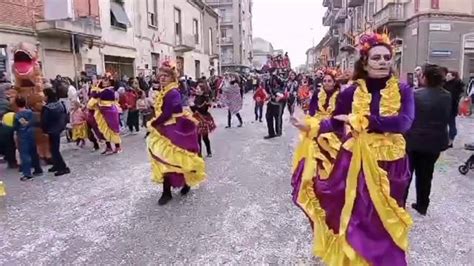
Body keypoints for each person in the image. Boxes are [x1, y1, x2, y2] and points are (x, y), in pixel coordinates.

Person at [290, 33, 414, 265]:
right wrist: (310, 126)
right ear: (365, 61)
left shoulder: (403, 90)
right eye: (376, 57)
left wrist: (365, 121)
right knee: (357, 213)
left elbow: (404, 122)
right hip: (356, 159)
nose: (383, 61)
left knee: (386, 217)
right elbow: (336, 123)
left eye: (387, 57)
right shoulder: (351, 92)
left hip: (392, 163)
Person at [146, 61, 206, 205]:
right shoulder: (165, 91)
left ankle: (182, 185)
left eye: (166, 75)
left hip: (174, 129)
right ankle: (167, 191)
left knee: (174, 158)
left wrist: (154, 123)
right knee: (164, 159)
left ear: (173, 77)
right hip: (165, 128)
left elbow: (168, 113)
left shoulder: (172, 92)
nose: (162, 78)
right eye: (161, 75)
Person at [405, 64, 451, 215]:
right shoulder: (447, 95)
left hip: (413, 141)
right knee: (426, 175)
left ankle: (400, 202)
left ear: (425, 77)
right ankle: (422, 205)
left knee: (407, 174)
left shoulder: (414, 94)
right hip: (435, 142)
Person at [41, 88, 70, 176]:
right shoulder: (60, 104)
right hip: (59, 128)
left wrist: (44, 129)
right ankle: (56, 165)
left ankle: (63, 167)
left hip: (51, 130)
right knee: (53, 148)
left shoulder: (47, 108)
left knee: (54, 150)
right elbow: (65, 115)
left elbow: (44, 121)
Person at [14, 97, 43, 180]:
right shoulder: (31, 112)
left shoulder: (17, 115)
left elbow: (15, 126)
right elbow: (34, 122)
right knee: (34, 152)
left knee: (24, 154)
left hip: (23, 135)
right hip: (31, 133)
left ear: (16, 104)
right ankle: (38, 169)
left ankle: (27, 173)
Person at [95, 74, 122, 154]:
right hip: (102, 112)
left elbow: (97, 95)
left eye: (106, 80)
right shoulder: (101, 90)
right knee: (104, 129)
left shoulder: (109, 91)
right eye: (103, 79)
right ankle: (109, 147)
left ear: (110, 82)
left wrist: (96, 89)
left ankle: (118, 147)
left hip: (110, 111)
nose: (103, 81)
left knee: (113, 129)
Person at [192, 81, 216, 157]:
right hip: (196, 119)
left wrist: (194, 106)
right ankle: (199, 154)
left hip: (203, 119)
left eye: (199, 89)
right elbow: (194, 110)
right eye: (196, 88)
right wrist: (191, 106)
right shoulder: (195, 97)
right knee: (197, 137)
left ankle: (209, 151)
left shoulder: (205, 99)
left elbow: (202, 110)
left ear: (203, 90)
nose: (197, 90)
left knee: (205, 137)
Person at [444, 71, 465, 147]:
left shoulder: (456, 85)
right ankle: (447, 140)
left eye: (448, 75)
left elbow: (454, 96)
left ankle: (450, 140)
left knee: (451, 123)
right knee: (444, 124)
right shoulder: (445, 84)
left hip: (452, 107)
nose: (446, 77)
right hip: (445, 107)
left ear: (453, 76)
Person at [264, 74, 284, 139]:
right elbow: (267, 90)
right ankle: (271, 133)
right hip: (271, 102)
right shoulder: (268, 80)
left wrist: (277, 95)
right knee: (268, 117)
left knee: (277, 117)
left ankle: (278, 132)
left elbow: (283, 89)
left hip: (278, 103)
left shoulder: (279, 78)